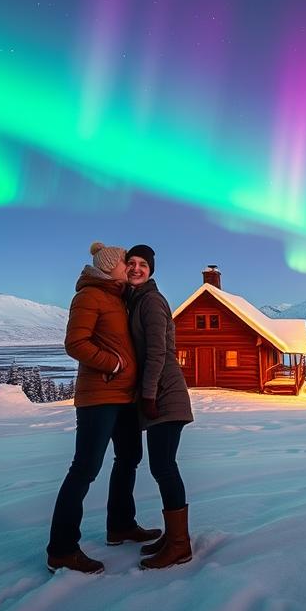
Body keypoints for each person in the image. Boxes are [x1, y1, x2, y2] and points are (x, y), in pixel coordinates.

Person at [46, 241, 161, 575]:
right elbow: (75, 343)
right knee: (84, 469)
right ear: (110, 266)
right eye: (125, 263)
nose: (129, 267)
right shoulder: (89, 296)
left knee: (129, 458)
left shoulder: (117, 296)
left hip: (124, 397)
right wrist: (112, 364)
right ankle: (62, 549)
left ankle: (121, 525)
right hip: (99, 397)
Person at [125, 244, 194, 569]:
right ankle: (173, 536)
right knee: (162, 467)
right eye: (131, 263)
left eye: (143, 264)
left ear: (151, 270)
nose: (136, 268)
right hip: (160, 392)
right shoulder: (137, 299)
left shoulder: (151, 301)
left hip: (165, 393)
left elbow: (157, 352)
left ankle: (180, 544)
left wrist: (149, 395)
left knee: (164, 467)